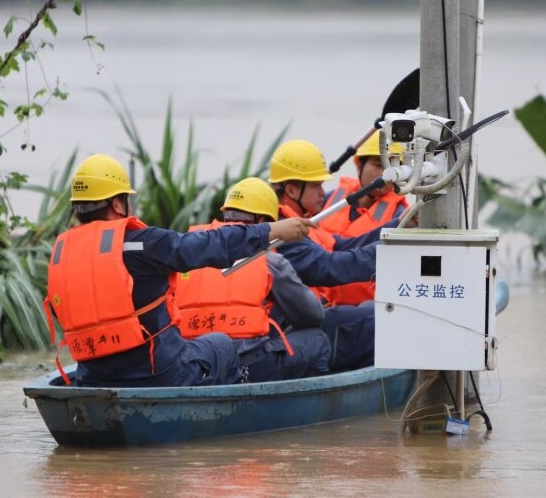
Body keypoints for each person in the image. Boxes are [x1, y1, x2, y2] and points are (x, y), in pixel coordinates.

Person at [43, 154, 314, 388]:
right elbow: (210, 244)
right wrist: (271, 230)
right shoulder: (146, 244)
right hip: (158, 374)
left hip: (93, 377)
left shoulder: (62, 255)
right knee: (221, 344)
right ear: (117, 204)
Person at [172, 178, 331, 383]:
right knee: (317, 339)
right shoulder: (270, 260)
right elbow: (312, 316)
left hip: (198, 361)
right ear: (264, 222)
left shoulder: (190, 250)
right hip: (249, 365)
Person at [267, 140, 379, 371]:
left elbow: (344, 246)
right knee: (381, 320)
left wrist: (398, 230)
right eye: (316, 186)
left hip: (311, 320)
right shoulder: (281, 232)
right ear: (291, 190)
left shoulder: (299, 222)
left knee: (371, 307)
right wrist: (388, 254)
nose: (322, 193)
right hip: (294, 331)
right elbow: (328, 266)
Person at [318, 131, 410, 306]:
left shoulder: (401, 216)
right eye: (378, 164)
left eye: (393, 166)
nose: (386, 173)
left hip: (364, 312)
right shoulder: (328, 200)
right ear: (359, 165)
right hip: (319, 306)